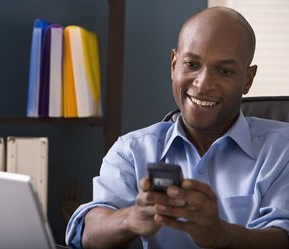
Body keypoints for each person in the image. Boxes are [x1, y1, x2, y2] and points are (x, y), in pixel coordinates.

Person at [66, 6, 289, 249]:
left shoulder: (282, 150)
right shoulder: (131, 151)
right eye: (191, 64)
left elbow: (282, 238)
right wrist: (132, 218)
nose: (202, 85)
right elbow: (88, 235)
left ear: (247, 79)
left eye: (224, 71)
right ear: (174, 65)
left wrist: (222, 235)